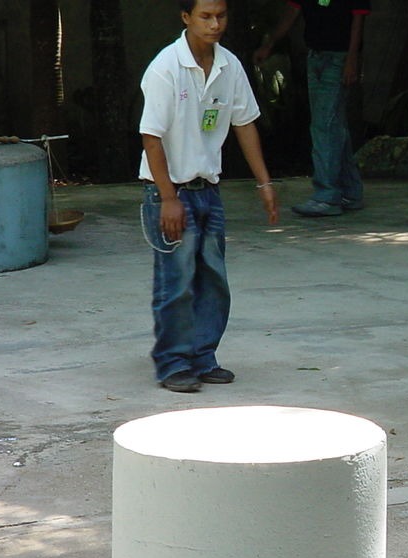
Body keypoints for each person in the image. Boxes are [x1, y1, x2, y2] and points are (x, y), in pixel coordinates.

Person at [139, 0, 279, 393]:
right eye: (205, 16)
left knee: (214, 280)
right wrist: (168, 198)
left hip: (208, 190)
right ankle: (172, 364)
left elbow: (245, 124)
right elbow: (151, 137)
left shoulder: (228, 66)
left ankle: (203, 357)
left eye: (221, 16)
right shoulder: (166, 67)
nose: (215, 24)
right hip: (170, 191)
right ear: (186, 17)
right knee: (176, 282)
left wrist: (264, 183)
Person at [254, 0, 369, 217]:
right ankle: (351, 191)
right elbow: (293, 12)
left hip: (339, 57)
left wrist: (352, 59)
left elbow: (358, 17)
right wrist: (269, 44)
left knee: (324, 126)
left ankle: (326, 196)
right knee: (333, 124)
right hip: (315, 55)